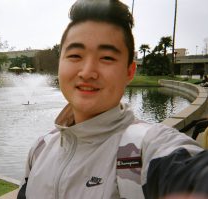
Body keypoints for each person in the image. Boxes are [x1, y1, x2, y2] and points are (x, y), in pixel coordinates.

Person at [17, 0, 208, 198]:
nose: (87, 72)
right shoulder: (40, 150)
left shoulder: (146, 149)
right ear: (60, 63)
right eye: (75, 55)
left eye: (107, 57)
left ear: (129, 71)